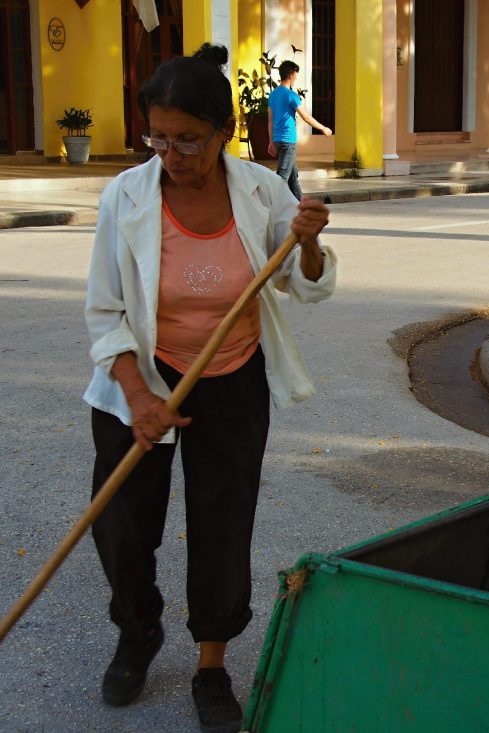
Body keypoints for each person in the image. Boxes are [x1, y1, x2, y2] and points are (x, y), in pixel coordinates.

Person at [84, 43, 337, 733]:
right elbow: (105, 312)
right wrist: (140, 397)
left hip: (230, 376)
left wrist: (308, 240)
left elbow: (305, 280)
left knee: (224, 521)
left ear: (223, 131)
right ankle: (137, 633)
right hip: (143, 374)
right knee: (122, 523)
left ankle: (211, 662)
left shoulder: (259, 190)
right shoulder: (125, 196)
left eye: (188, 139)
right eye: (158, 138)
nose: (172, 153)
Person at [267, 59, 333, 201]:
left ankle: (300, 206)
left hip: (278, 140)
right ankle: (270, 209)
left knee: (292, 176)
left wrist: (271, 142)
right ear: (290, 75)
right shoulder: (291, 96)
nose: (296, 78)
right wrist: (323, 128)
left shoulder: (273, 95)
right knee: (282, 178)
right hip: (288, 141)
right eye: (296, 75)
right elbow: (306, 117)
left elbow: (270, 120)